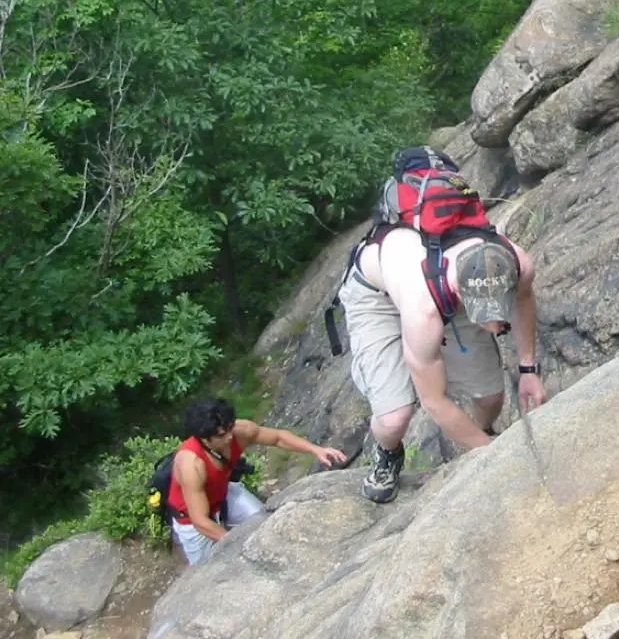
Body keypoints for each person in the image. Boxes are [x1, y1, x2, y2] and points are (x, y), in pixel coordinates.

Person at [337, 147, 548, 504]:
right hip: (377, 295)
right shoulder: (424, 307)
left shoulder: (515, 261)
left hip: (439, 283)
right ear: (460, 291)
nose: (497, 326)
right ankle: (388, 454)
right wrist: (499, 458)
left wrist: (528, 368)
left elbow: (524, 301)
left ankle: (475, 436)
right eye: (486, 316)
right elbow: (433, 400)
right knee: (394, 417)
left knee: (491, 396)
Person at [166, 396, 347, 566]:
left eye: (230, 428)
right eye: (221, 435)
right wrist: (236, 545)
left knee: (262, 523)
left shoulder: (239, 431)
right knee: (206, 569)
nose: (229, 437)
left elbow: (278, 438)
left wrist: (316, 450)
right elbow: (200, 521)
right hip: (191, 519)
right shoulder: (191, 464)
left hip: (222, 495)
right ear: (204, 438)